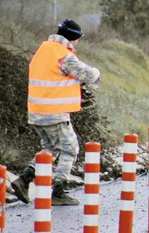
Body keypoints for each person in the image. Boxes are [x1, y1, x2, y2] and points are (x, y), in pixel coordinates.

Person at [11, 19, 101, 206]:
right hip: (53, 112)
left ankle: (24, 179)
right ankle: (58, 191)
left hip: (37, 111)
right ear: (74, 38)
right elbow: (88, 75)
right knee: (70, 148)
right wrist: (97, 73)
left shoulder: (44, 50)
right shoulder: (63, 54)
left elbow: (55, 81)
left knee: (50, 149)